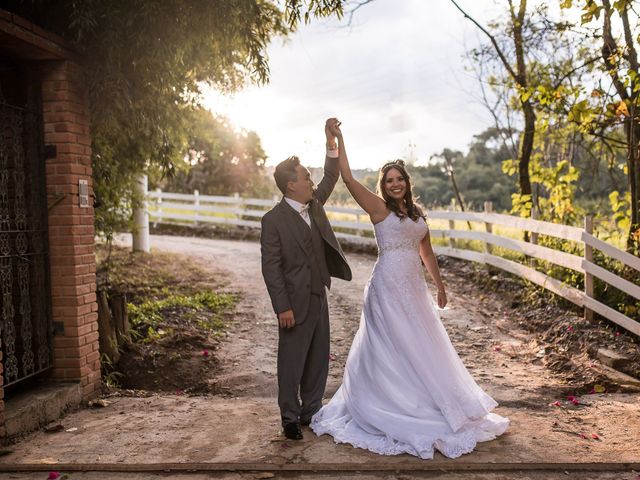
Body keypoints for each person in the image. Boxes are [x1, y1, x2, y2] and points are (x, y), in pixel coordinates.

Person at [311, 120, 509, 459]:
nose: (395, 184)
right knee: (391, 346)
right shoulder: (377, 209)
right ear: (383, 186)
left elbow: (427, 253)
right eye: (389, 180)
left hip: (414, 290)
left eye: (399, 178)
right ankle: (389, 405)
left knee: (421, 346)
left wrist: (440, 286)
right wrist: (337, 140)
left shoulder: (418, 216)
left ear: (407, 182)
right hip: (386, 286)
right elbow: (347, 178)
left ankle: (428, 401)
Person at [260, 118, 352, 441]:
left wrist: (331, 141)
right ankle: (288, 416)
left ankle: (310, 411)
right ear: (291, 186)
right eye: (306, 177)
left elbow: (331, 175)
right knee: (291, 359)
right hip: (293, 303)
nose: (312, 181)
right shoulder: (272, 221)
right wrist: (281, 306)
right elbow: (271, 267)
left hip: (318, 295)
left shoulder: (314, 205)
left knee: (317, 357)